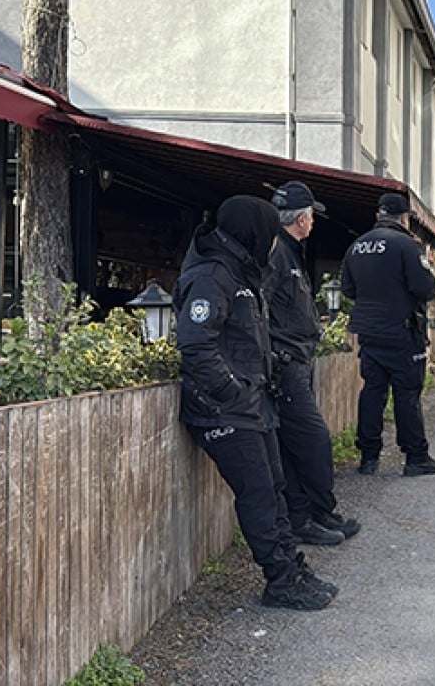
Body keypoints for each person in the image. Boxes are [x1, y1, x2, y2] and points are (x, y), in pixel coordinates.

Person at [174, 194, 337, 610]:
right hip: (223, 410)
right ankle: (280, 581)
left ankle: (291, 569)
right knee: (260, 495)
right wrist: (231, 390)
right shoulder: (212, 276)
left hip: (252, 405)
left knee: (275, 490)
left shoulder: (239, 272)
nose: (273, 242)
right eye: (268, 232)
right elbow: (196, 345)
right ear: (254, 232)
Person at [268, 181, 362, 546]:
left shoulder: (289, 251)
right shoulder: (276, 253)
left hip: (298, 359)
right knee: (313, 440)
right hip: (285, 362)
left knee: (295, 444)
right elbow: (260, 307)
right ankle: (312, 514)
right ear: (302, 218)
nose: (313, 223)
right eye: (311, 217)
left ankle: (309, 516)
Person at [340, 192, 435, 477]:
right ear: (404, 218)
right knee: (407, 394)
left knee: (372, 392)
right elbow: (425, 289)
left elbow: (348, 290)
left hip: (369, 332)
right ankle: (415, 458)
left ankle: (368, 458)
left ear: (378, 216)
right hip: (403, 331)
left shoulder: (357, 246)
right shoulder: (407, 246)